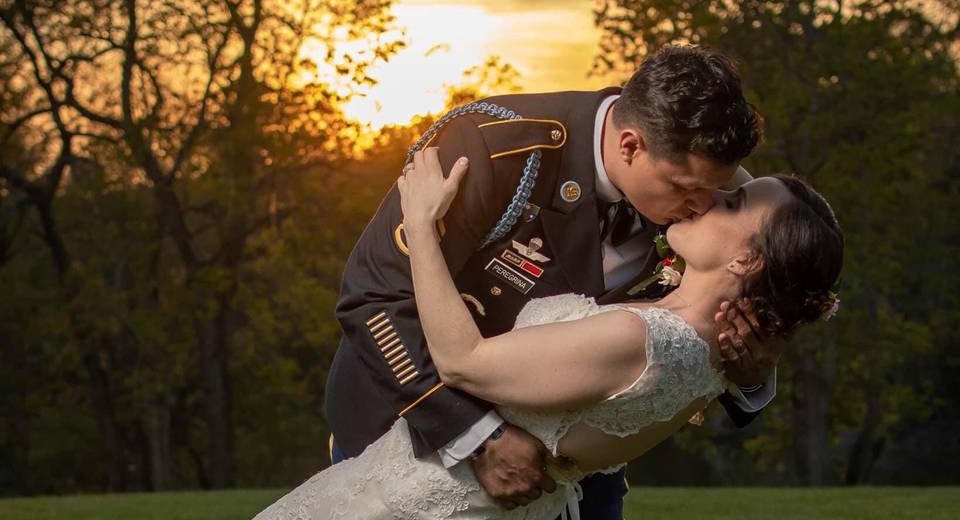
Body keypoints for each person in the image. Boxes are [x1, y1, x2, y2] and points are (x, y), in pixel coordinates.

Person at [253, 148, 843, 520]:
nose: (710, 194)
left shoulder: (647, 337)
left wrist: (422, 229)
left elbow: (463, 360)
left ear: (748, 263)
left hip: (426, 500)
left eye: (732, 199)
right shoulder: (707, 348)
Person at [323, 45, 781, 519]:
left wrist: (751, 369)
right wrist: (478, 438)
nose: (704, 206)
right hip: (418, 433)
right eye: (685, 188)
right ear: (630, 146)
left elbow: (719, 302)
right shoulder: (492, 148)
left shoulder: (705, 187)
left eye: (715, 191)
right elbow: (373, 296)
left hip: (575, 468)